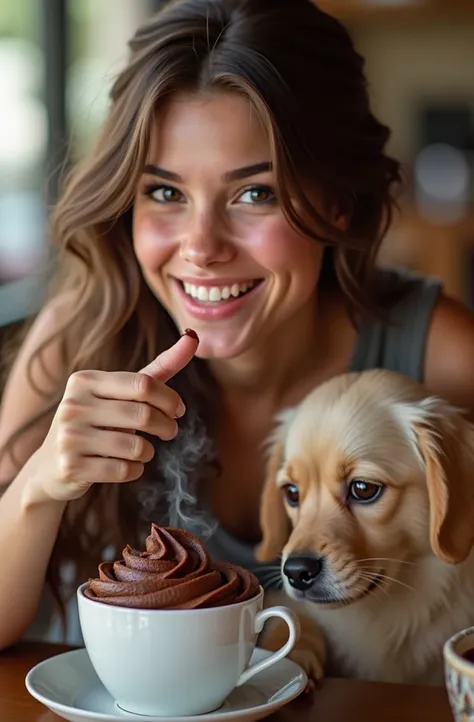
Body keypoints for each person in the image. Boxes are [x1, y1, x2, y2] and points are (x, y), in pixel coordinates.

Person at [1, 0, 474, 649]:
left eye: (256, 193)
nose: (201, 246)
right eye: (165, 192)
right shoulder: (78, 338)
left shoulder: (442, 355)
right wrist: (39, 485)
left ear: (336, 204)